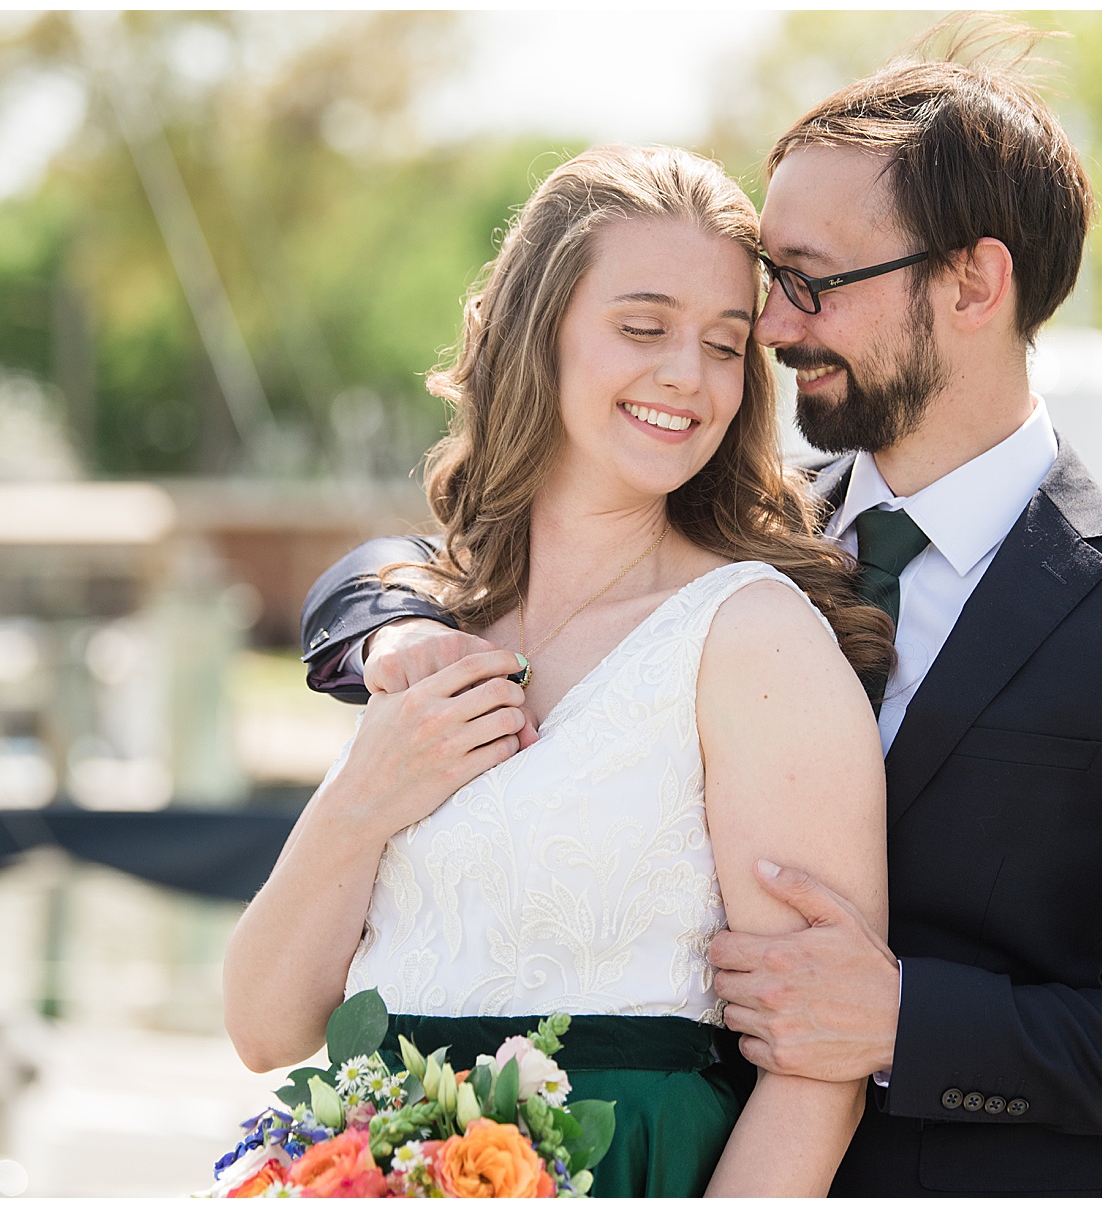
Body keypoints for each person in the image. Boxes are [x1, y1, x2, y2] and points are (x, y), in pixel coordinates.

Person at [298, 27, 1102, 1199]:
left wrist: (910, 1020)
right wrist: (384, 626)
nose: (776, 328)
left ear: (973, 282)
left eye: (812, 281)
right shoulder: (743, 537)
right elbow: (451, 550)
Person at [224, 144, 894, 1197]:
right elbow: (265, 1025)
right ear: (537, 334)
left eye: (726, 344)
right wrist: (367, 796)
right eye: (643, 327)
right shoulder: (428, 631)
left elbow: (819, 1068)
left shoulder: (750, 637)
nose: (689, 373)